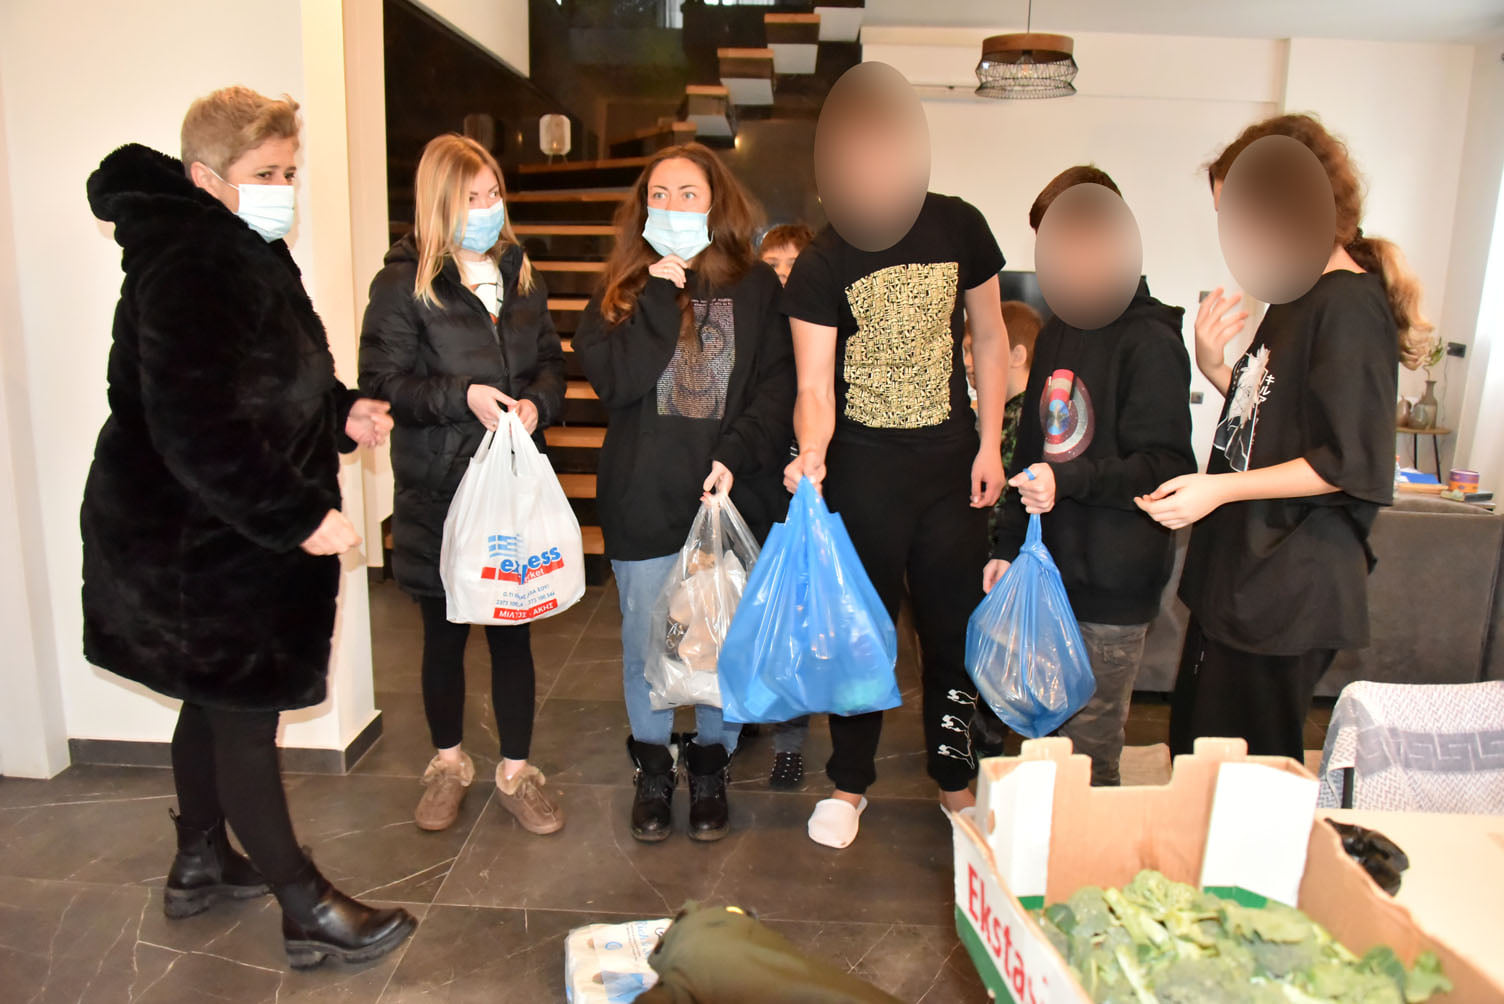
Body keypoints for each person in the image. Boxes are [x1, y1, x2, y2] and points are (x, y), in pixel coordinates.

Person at [81, 86, 414, 969]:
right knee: (242, 715)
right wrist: (299, 516)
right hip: (197, 538)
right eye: (265, 174)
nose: (284, 190)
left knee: (213, 695)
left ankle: (198, 861)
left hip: (214, 527)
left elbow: (271, 381)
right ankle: (305, 906)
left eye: (290, 172)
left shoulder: (235, 248)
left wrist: (341, 412)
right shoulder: (191, 263)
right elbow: (198, 426)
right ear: (206, 178)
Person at [1137, 114, 1429, 760]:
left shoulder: (1348, 307)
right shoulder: (1298, 296)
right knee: (1201, 756)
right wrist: (1216, 367)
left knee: (1250, 771)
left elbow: (1346, 461)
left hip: (1287, 585)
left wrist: (1217, 490)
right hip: (1243, 577)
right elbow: (1273, 425)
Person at [782, 148, 1010, 847]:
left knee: (953, 634)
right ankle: (849, 784)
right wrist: (812, 453)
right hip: (863, 472)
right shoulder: (823, 260)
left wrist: (991, 442)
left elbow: (990, 335)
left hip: (952, 471)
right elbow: (814, 386)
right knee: (862, 635)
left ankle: (955, 780)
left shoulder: (958, 225)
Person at [575, 143, 795, 843]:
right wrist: (656, 299)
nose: (672, 207)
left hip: (727, 499)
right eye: (659, 195)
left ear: (716, 202)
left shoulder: (755, 288)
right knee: (648, 645)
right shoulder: (620, 290)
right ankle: (652, 770)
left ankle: (709, 767)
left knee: (719, 643)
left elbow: (777, 387)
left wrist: (735, 454)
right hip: (642, 497)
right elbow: (615, 383)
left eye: (688, 194)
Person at [359, 134, 566, 836]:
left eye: (493, 193)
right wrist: (463, 396)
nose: (486, 208)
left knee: (513, 634)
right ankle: (448, 764)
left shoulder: (521, 272)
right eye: (471, 197)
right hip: (440, 491)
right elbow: (381, 382)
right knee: (443, 637)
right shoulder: (404, 282)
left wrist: (539, 404)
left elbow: (550, 363)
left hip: (511, 487)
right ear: (439, 202)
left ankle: (517, 770)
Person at [985, 166, 1197, 785]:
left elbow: (1165, 468)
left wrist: (1070, 481)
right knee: (1035, 748)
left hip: (1111, 591)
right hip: (1044, 576)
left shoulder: (1151, 341)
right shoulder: (1056, 333)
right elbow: (1030, 451)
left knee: (1087, 762)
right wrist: (1005, 546)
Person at [756, 221, 817, 789]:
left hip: (803, 491)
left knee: (796, 618)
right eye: (771, 264)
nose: (781, 275)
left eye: (793, 265)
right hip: (754, 489)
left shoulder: (825, 332)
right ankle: (748, 712)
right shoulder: (752, 324)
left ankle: (790, 743)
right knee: (748, 610)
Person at [969, 299, 1043, 759]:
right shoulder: (1006, 415)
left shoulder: (1025, 419)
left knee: (1003, 653)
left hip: (1006, 554)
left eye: (973, 350)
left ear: (1015, 355)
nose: (968, 363)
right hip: (1001, 552)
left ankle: (990, 737)